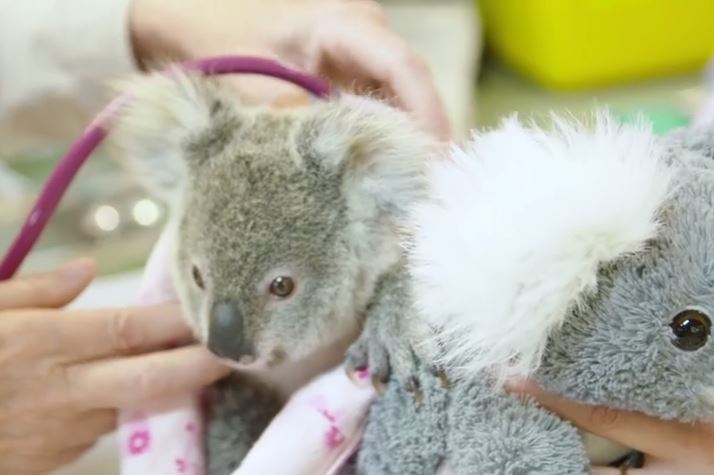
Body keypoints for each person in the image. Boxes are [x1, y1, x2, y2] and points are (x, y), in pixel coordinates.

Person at [0, 1, 449, 473]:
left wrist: (151, 24)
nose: (225, 340)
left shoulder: (376, 217)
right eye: (199, 278)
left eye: (282, 287)